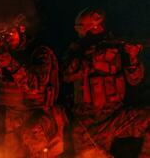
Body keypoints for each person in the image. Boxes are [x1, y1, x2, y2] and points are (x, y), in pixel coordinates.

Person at [63, 8, 150, 158]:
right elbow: (66, 75)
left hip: (115, 115)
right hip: (88, 121)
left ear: (93, 26)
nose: (79, 31)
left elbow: (135, 79)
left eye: (81, 27)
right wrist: (93, 59)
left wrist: (132, 57)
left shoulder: (117, 46)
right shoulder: (77, 49)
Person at [0, 14, 66, 158]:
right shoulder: (4, 54)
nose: (6, 38)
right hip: (13, 120)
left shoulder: (39, 53)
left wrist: (11, 64)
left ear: (22, 30)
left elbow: (36, 85)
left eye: (10, 33)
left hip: (37, 118)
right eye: (2, 35)